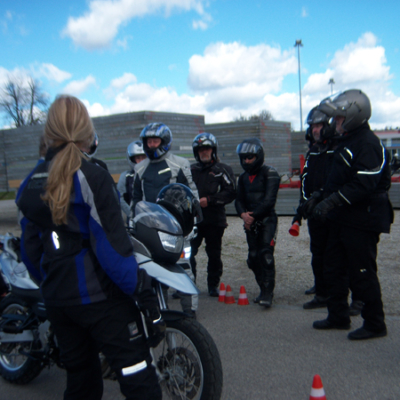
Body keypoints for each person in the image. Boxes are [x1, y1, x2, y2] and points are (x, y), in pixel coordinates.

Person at [16, 95, 163, 399]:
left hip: (59, 302)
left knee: (82, 383)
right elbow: (113, 250)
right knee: (140, 382)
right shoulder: (92, 175)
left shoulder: (30, 181)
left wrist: (50, 283)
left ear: (50, 129)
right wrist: (144, 292)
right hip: (100, 301)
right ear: (85, 128)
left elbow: (30, 252)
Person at [311, 89, 393, 340]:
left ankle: (375, 323)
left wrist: (332, 201)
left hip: (363, 218)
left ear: (355, 116)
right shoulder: (346, 141)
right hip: (343, 217)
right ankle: (338, 316)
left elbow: (363, 184)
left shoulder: (368, 143)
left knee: (361, 271)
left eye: (338, 119)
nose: (334, 123)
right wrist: (320, 196)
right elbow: (338, 179)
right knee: (333, 266)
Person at [131, 122, 199, 317]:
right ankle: (159, 309)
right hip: (149, 228)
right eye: (149, 141)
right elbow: (135, 199)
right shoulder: (139, 168)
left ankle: (190, 311)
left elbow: (192, 195)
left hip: (176, 227)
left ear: (165, 141)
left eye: (155, 141)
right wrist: (132, 222)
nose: (152, 145)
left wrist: (192, 224)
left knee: (184, 266)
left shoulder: (180, 164)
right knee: (151, 268)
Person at [294, 107, 333, 309]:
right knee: (317, 253)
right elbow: (305, 180)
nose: (315, 130)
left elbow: (335, 181)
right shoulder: (313, 152)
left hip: (331, 211)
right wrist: (303, 204)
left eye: (319, 126)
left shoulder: (335, 149)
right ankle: (321, 291)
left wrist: (320, 197)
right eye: (313, 126)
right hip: (314, 213)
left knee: (336, 255)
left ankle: (356, 299)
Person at [235, 138, 281, 308]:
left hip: (267, 220)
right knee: (253, 258)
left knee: (265, 255)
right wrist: (243, 215)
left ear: (258, 156)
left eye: (250, 157)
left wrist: (250, 216)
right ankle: (263, 289)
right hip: (250, 222)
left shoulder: (270, 173)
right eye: (244, 158)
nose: (246, 161)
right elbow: (238, 200)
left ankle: (268, 293)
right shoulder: (242, 178)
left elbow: (269, 201)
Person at [190, 133, 236, 296]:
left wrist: (210, 200)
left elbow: (231, 192)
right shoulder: (190, 170)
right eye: (201, 149)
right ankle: (188, 284)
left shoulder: (223, 169)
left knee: (214, 254)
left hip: (214, 220)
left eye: (207, 148)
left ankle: (213, 285)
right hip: (193, 221)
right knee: (188, 253)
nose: (204, 152)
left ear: (213, 150)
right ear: (196, 151)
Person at [117, 140, 146, 220]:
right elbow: (121, 198)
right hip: (133, 217)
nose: (141, 161)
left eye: (144, 157)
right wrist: (131, 214)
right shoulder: (125, 176)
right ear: (131, 159)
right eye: (138, 158)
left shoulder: (152, 174)